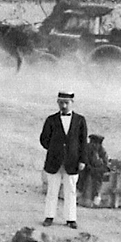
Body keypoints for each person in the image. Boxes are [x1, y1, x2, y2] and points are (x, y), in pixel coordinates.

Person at [40, 91, 88, 229]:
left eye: (66, 103)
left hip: (72, 162)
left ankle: (71, 218)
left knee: (71, 191)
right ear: (57, 103)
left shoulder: (80, 120)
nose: (64, 105)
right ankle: (49, 216)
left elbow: (83, 142)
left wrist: (82, 160)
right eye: (61, 103)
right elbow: (44, 139)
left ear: (72, 103)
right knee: (52, 190)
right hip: (54, 162)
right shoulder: (51, 119)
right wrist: (55, 149)